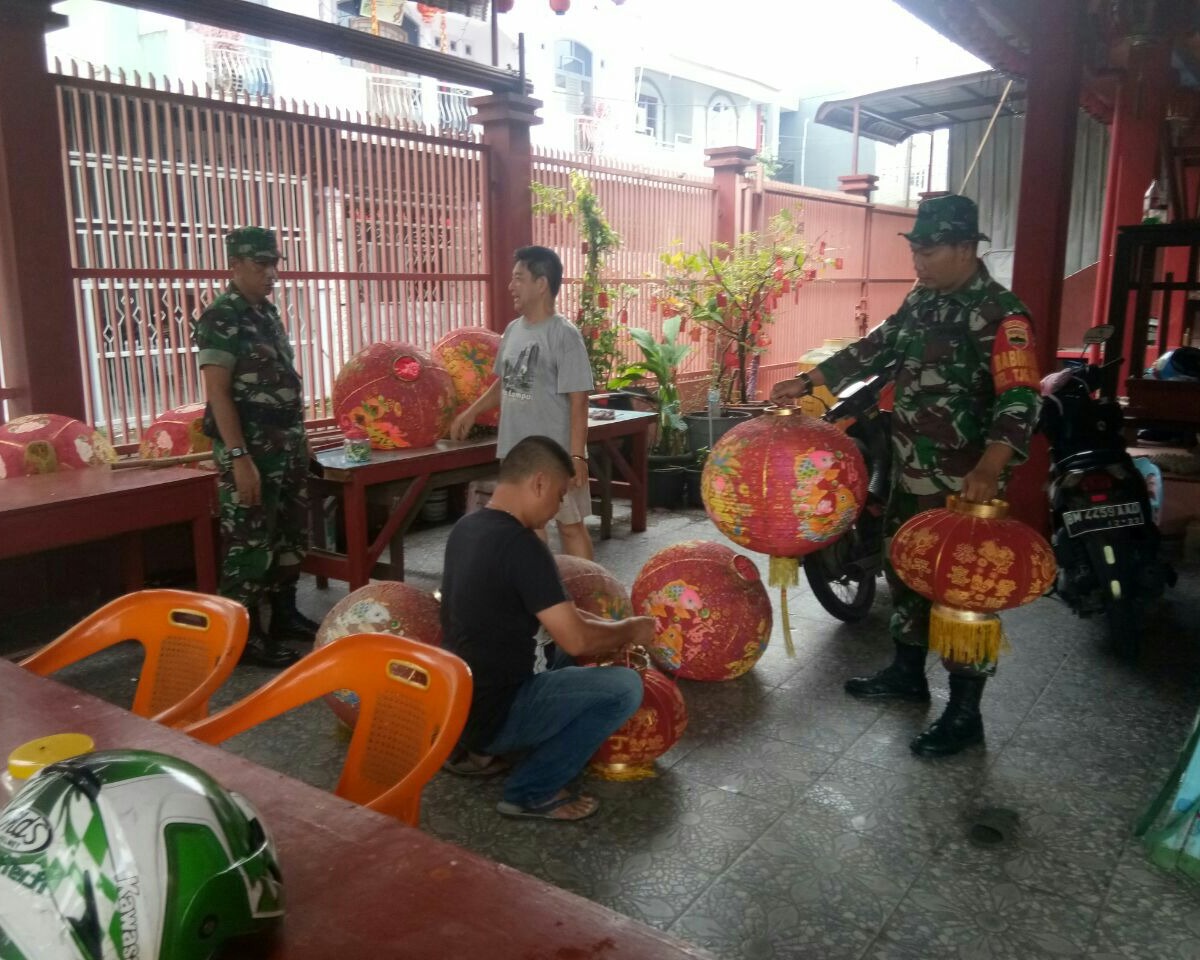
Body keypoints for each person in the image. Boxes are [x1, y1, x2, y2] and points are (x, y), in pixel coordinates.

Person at [771, 194, 1042, 757]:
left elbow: (1020, 397)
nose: (918, 259)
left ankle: (965, 712)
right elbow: (876, 348)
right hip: (909, 472)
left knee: (962, 594)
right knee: (905, 569)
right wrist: (812, 380)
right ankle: (906, 673)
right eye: (915, 248)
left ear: (966, 248)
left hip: (964, 487)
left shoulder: (1001, 314)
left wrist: (991, 467)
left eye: (929, 248)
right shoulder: (922, 301)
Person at [440, 435, 654, 821]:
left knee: (562, 650)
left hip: (460, 704)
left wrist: (616, 625)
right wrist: (631, 631)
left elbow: (565, 621)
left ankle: (479, 753)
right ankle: (532, 791)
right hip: (498, 710)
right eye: (558, 496)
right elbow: (577, 637)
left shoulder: (468, 528)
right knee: (624, 689)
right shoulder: (522, 546)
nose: (557, 510)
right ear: (538, 482)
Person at [192, 227, 320, 669]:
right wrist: (239, 458)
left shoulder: (265, 313)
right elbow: (219, 394)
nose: (271, 273)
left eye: (274, 263)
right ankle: (243, 637)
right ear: (235, 266)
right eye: (260, 265)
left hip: (286, 444)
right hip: (252, 449)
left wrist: (300, 442)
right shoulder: (221, 317)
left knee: (289, 533)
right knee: (249, 542)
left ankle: (283, 615)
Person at [450, 246, 596, 560]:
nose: (510, 286)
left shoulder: (563, 335)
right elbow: (506, 382)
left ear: (541, 284)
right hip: (516, 453)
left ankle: (589, 591)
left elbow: (579, 399)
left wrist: (576, 455)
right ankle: (544, 597)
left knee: (570, 525)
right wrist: (472, 411)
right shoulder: (513, 331)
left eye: (518, 278)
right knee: (529, 529)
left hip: (556, 454)